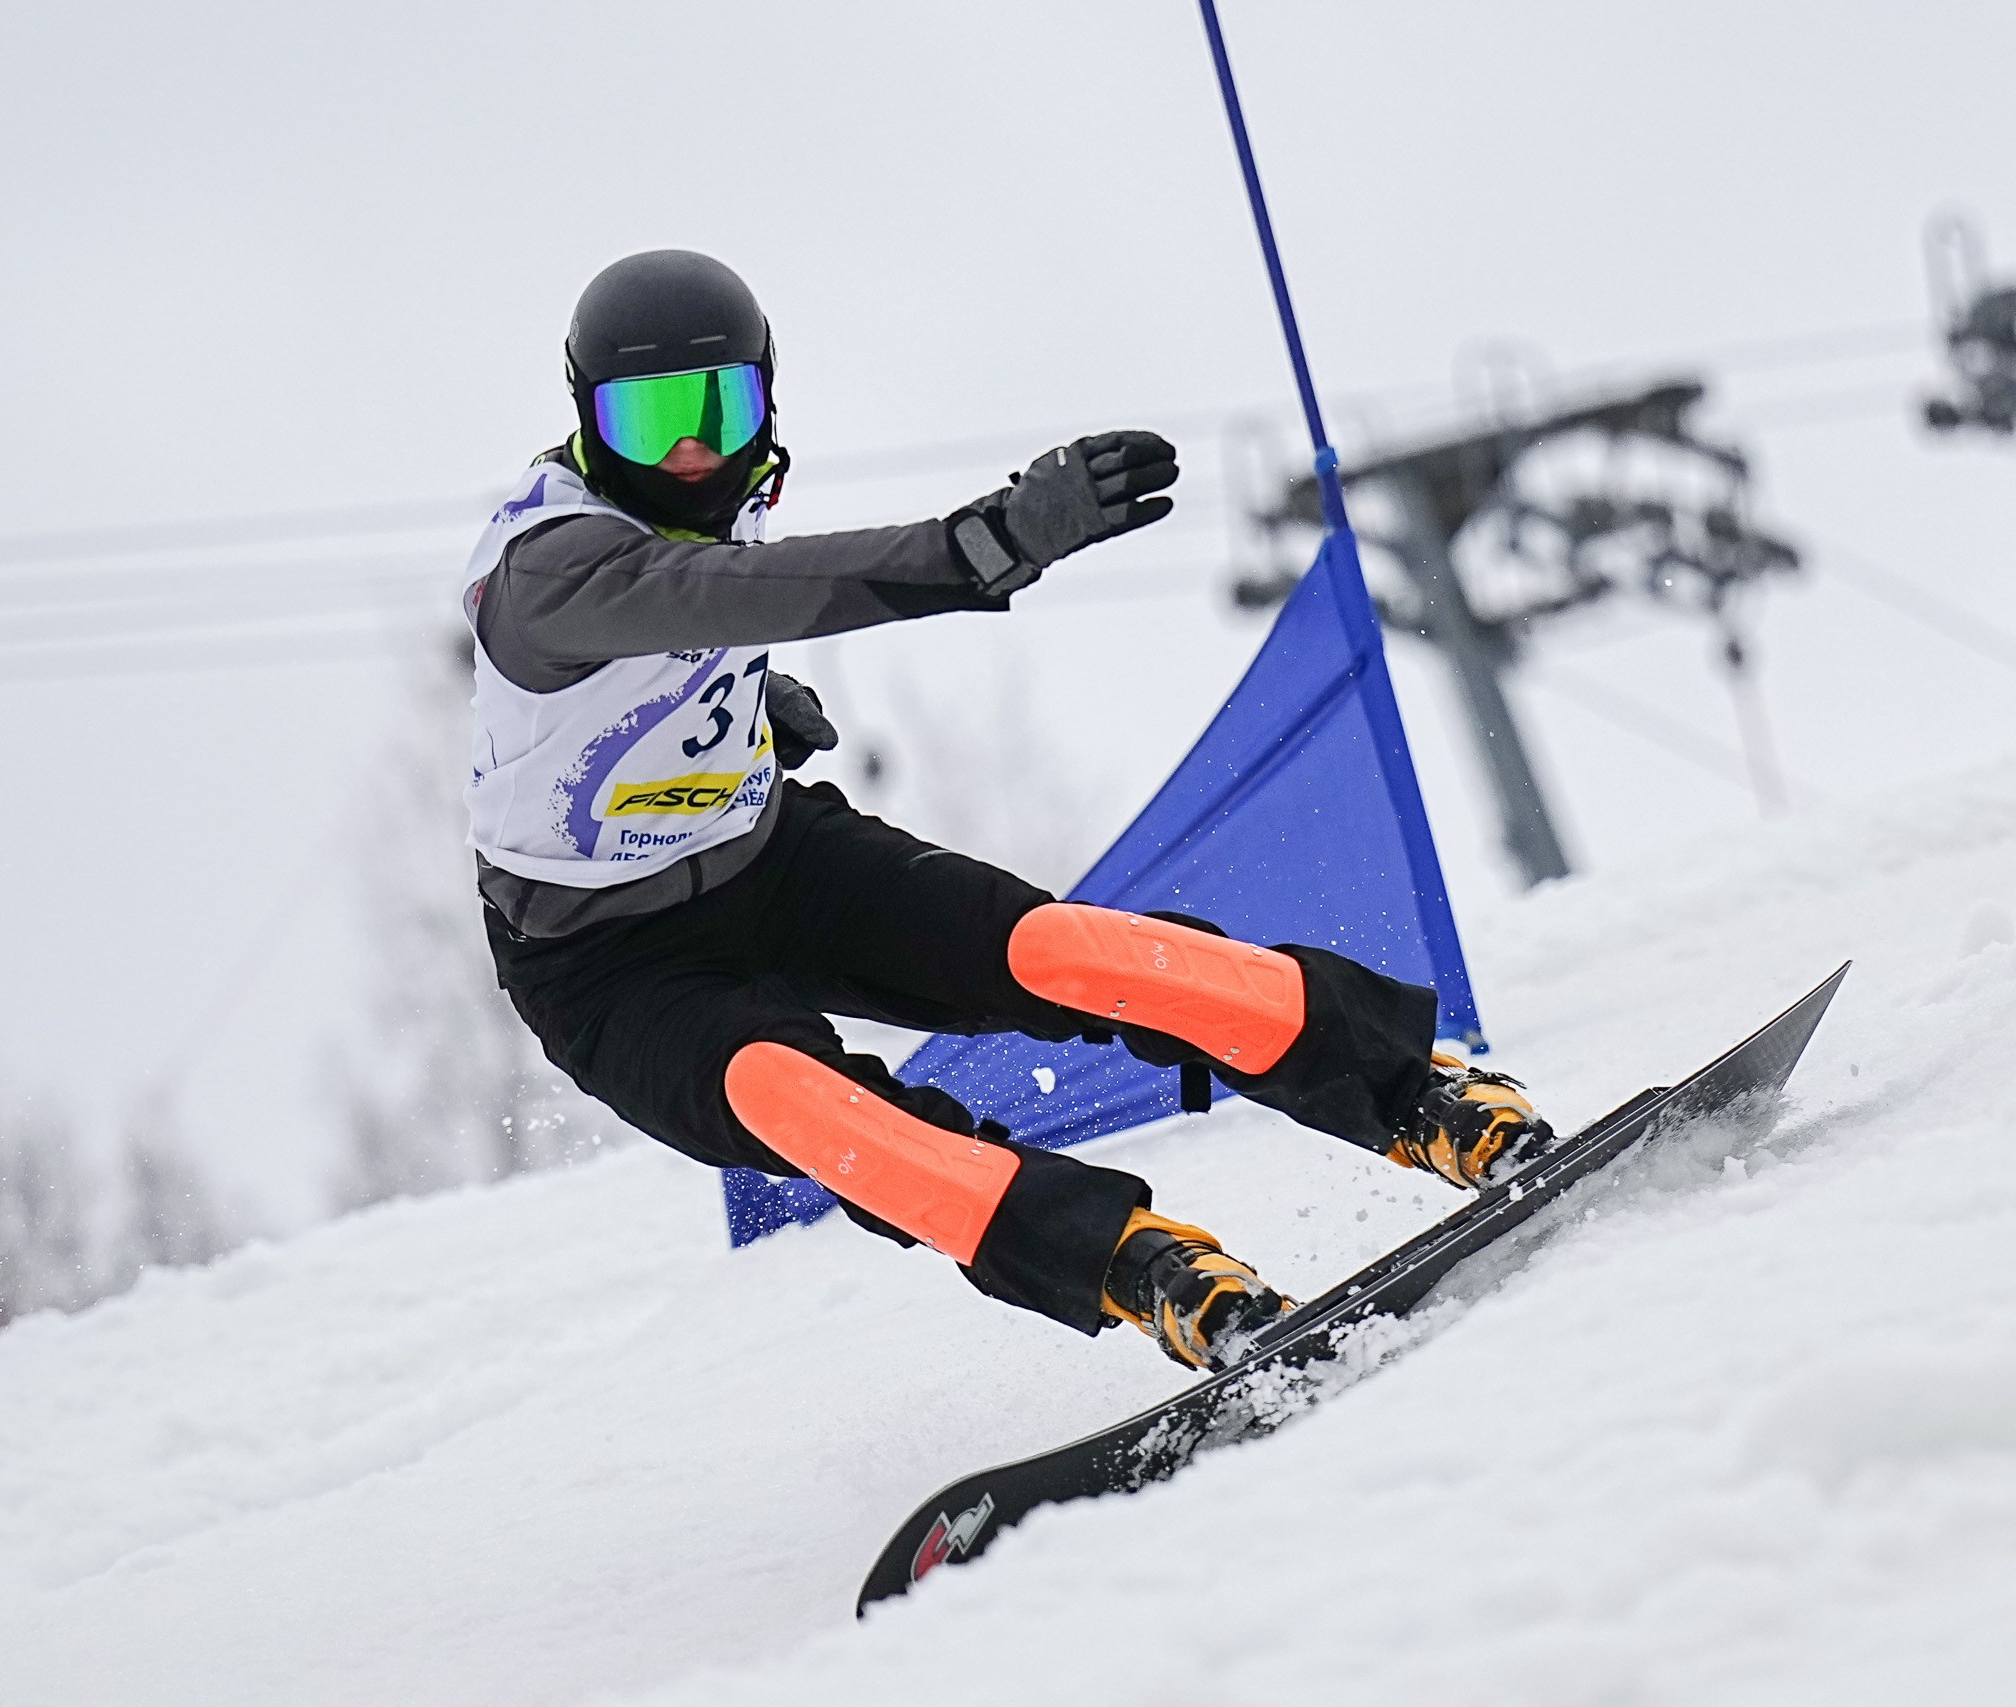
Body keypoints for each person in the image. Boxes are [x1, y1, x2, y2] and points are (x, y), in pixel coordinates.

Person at [469, 250, 1557, 1371]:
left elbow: (682, 636)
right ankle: (1143, 1270)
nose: (690, 448)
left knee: (1059, 950)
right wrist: (978, 545)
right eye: (648, 420)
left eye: (718, 407)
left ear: (766, 399)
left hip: (767, 860)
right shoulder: (548, 566)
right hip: (603, 963)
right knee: (802, 1104)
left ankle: (1418, 1093)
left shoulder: (719, 502)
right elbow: (725, 596)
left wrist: (738, 710)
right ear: (587, 420)